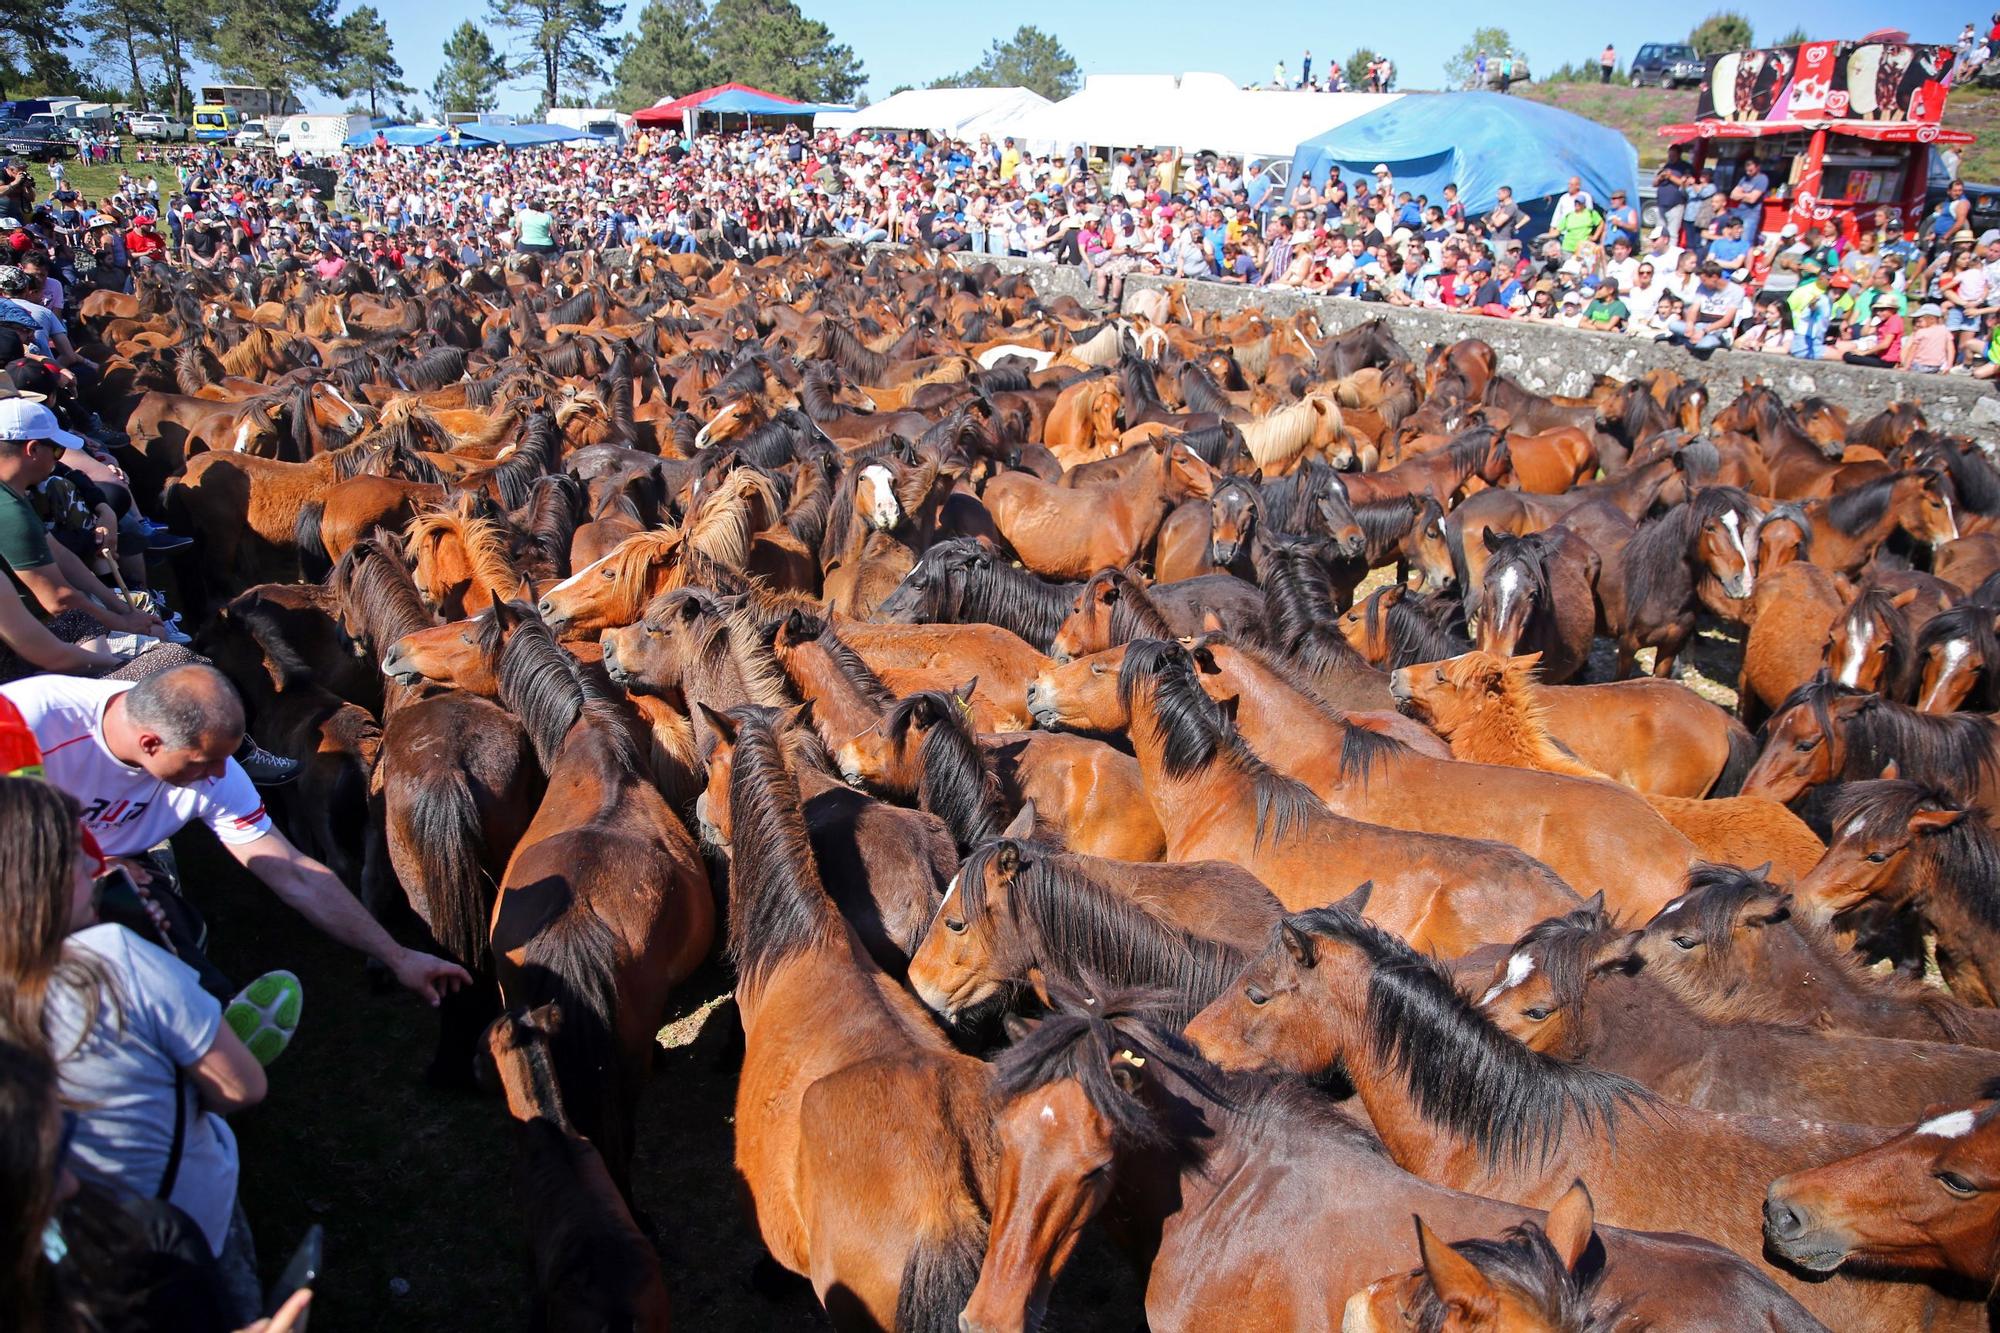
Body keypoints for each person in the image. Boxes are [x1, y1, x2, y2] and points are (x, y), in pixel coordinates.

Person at [1, 666, 468, 1004]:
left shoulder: (214, 771)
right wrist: (95, 864)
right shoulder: (25, 720)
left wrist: (397, 955)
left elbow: (296, 875)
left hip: (117, 872)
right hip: (24, 876)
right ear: (150, 744)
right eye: (205, 762)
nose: (221, 776)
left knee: (171, 944)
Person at [1902, 303, 1953, 372]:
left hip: (1919, 364)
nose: (1917, 324)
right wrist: (1949, 365)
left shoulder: (1921, 332)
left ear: (1932, 319)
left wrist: (1907, 366)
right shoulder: (1945, 330)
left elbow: (1912, 350)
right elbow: (1951, 349)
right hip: (1937, 366)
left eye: (1920, 321)